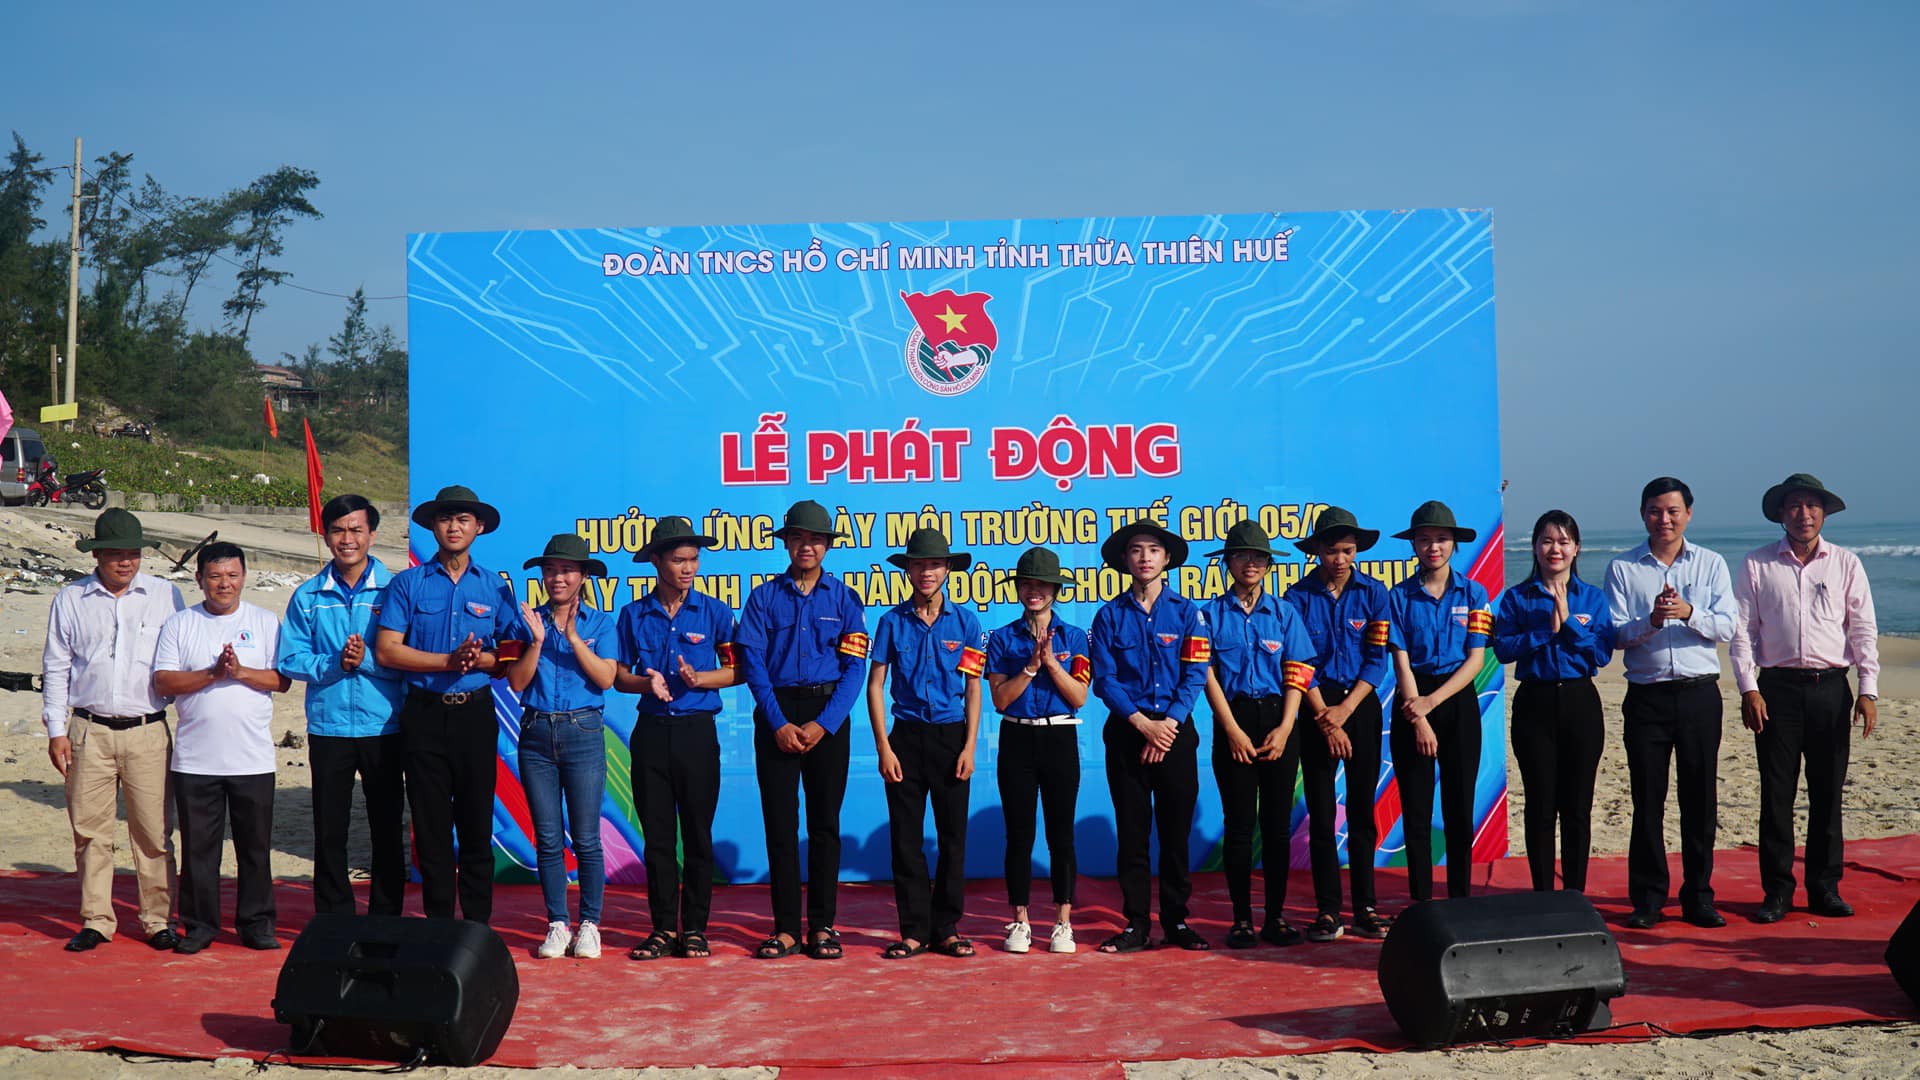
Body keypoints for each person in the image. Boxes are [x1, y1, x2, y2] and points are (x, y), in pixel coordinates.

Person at [1730, 474, 1880, 924]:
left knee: (1827, 792)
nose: (1804, 514)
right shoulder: (1757, 564)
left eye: (1812, 505)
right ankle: (1777, 891)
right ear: (1781, 513)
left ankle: (1824, 888)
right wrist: (1749, 688)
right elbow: (1742, 632)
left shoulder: (1846, 564)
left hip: (1831, 688)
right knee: (1776, 794)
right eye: (1794, 505)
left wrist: (1868, 690)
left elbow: (1863, 630)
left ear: (1824, 513)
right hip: (1776, 690)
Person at [374, 485, 525, 924]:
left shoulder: (495, 587)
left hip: (475, 714)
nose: (453, 528)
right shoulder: (408, 583)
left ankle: (477, 926)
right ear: (432, 527)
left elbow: (511, 653)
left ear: (479, 528)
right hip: (423, 714)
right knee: (432, 825)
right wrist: (448, 661)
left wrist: (483, 660)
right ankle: (438, 925)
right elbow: (387, 650)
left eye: (463, 520)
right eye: (445, 519)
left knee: (477, 824)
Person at [41, 508, 185, 953]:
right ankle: (96, 919)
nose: (125, 561)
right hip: (88, 731)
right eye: (115, 553)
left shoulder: (166, 596)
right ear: (96, 555)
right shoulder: (70, 599)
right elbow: (56, 666)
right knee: (89, 831)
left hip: (148, 730)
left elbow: (182, 659)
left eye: (133, 553)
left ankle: (158, 919)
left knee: (154, 832)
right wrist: (56, 730)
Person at [735, 500, 869, 960]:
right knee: (780, 825)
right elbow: (753, 663)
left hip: (827, 714)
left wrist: (824, 724)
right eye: (798, 538)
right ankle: (787, 928)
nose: (806, 546)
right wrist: (777, 721)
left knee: (825, 825)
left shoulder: (845, 599)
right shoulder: (763, 598)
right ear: (786, 543)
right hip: (777, 712)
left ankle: (823, 926)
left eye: (815, 539)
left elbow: (855, 669)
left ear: (828, 545)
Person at [1604, 477, 1739, 930]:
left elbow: (1728, 627)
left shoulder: (1711, 563)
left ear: (1688, 514)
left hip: (1699, 694)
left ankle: (1699, 897)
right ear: (1643, 514)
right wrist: (1653, 620)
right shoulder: (1624, 568)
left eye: (1673, 511)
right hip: (1647, 696)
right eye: (1655, 511)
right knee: (1647, 800)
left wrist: (1689, 613)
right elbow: (1616, 634)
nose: (1664, 519)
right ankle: (1647, 898)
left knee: (1699, 799)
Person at [614, 516, 741, 960]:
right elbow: (619, 676)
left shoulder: (716, 612)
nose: (688, 568)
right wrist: (645, 683)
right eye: (678, 560)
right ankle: (664, 928)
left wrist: (700, 678)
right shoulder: (633, 615)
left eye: (693, 559)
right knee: (658, 839)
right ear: (656, 561)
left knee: (698, 836)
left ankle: (696, 929)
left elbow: (737, 670)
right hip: (651, 734)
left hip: (696, 734)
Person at [152, 542, 290, 953]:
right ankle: (199, 925)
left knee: (254, 849)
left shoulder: (265, 621)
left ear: (244, 577)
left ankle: (256, 924)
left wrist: (241, 672)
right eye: (215, 576)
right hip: (196, 760)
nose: (224, 584)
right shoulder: (180, 624)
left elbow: (281, 680)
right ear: (199, 580)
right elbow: (164, 681)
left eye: (232, 575)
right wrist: (212, 674)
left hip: (252, 759)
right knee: (199, 850)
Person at [276, 494, 408, 917]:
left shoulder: (396, 590)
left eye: (356, 530)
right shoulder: (309, 595)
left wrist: (365, 660)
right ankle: (334, 917)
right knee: (329, 828)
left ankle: (386, 915)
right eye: (337, 530)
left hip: (384, 726)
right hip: (329, 727)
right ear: (325, 535)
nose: (347, 539)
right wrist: (336, 663)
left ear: (372, 534)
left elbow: (409, 658)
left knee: (386, 826)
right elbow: (290, 659)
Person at [1089, 519, 1212, 953]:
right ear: (1125, 560)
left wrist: (1168, 726)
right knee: (1132, 833)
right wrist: (1143, 724)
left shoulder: (1189, 613)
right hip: (1129, 734)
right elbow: (1104, 680)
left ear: (1167, 559)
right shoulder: (1108, 616)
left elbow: (1195, 674)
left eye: (1153, 550)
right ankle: (1136, 924)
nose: (1144, 558)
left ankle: (1177, 921)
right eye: (1136, 550)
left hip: (1175, 734)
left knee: (1176, 834)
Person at [867, 527, 987, 959]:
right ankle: (914, 930)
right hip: (906, 736)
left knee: (953, 838)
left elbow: (973, 688)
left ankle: (947, 928)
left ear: (948, 568)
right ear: (908, 570)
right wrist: (884, 748)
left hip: (952, 736)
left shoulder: (966, 622)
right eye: (918, 564)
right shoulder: (891, 622)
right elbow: (875, 685)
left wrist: (970, 747)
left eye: (935, 564)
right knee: (906, 839)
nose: (926, 572)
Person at [1282, 506, 1396, 943]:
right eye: (1332, 551)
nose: (1340, 559)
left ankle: (1366, 906)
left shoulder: (1375, 594)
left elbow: (1377, 660)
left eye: (1348, 551)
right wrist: (1326, 719)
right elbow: (1296, 661)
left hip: (1360, 706)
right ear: (1317, 552)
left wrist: (1346, 711)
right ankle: (1328, 910)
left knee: (1363, 811)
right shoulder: (1297, 597)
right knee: (1322, 813)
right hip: (1315, 708)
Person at [1201, 520, 1316, 948]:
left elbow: (1298, 672)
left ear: (1268, 564)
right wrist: (1231, 729)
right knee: (1238, 826)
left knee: (1277, 827)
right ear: (1227, 562)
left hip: (1278, 719)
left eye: (1258, 557)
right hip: (1233, 720)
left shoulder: (1284, 613)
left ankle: (1276, 917)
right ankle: (1241, 920)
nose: (1250, 563)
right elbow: (1205, 674)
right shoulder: (1209, 615)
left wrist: (1286, 728)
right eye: (1241, 555)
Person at [506, 534, 618, 959]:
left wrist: (571, 637)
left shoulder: (600, 623)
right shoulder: (527, 621)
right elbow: (517, 682)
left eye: (567, 571)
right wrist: (537, 641)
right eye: (551, 570)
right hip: (536, 733)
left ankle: (590, 924)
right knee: (549, 838)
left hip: (583, 731)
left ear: (583, 576)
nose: (558, 578)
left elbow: (606, 678)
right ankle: (557, 923)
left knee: (586, 838)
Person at [1492, 510, 1615, 893]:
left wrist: (1569, 621)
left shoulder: (1592, 597)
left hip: (1580, 701)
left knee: (1577, 806)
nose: (1555, 549)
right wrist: (1546, 630)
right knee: (1540, 804)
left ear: (1576, 548)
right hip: (1535, 703)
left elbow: (1601, 654)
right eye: (1547, 541)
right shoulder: (1517, 598)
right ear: (1534, 547)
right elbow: (1503, 649)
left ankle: (1575, 892)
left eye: (1563, 541)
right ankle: (1543, 893)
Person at [1386, 502, 1492, 903]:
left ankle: (1460, 899)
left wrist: (1432, 703)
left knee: (1459, 808)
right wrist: (1418, 715)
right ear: (1413, 544)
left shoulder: (1475, 593)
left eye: (1442, 539)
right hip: (1411, 702)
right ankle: (1421, 901)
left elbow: (1476, 660)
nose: (1434, 547)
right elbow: (1400, 660)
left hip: (1457, 700)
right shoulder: (1397, 597)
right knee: (1416, 810)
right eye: (1425, 539)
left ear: (1454, 544)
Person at [987, 546, 1090, 955]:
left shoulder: (1075, 637)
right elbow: (1000, 700)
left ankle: (1063, 923)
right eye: (1027, 584)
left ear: (1055, 590)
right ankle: (1020, 920)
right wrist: (1030, 666)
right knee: (1019, 834)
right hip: (1017, 739)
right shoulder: (1001, 638)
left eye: (1042, 585)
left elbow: (1079, 696)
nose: (1034, 591)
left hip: (1060, 737)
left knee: (1061, 834)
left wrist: (1052, 663)